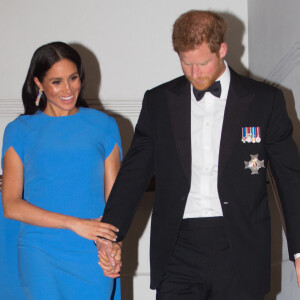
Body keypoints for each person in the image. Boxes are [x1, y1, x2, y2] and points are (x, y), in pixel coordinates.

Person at [98, 10, 300, 300]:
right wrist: (110, 235)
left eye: (203, 63)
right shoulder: (158, 101)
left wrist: (299, 250)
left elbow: (289, 179)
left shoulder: (265, 101)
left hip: (240, 247)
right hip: (178, 247)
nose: (194, 74)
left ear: (222, 50)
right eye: (186, 63)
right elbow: (134, 172)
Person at [1, 42, 122, 299]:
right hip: (39, 252)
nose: (68, 89)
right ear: (39, 83)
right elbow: (11, 205)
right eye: (57, 82)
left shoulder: (104, 126)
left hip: (92, 253)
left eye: (73, 78)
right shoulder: (19, 130)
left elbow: (116, 204)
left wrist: (112, 243)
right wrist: (74, 224)